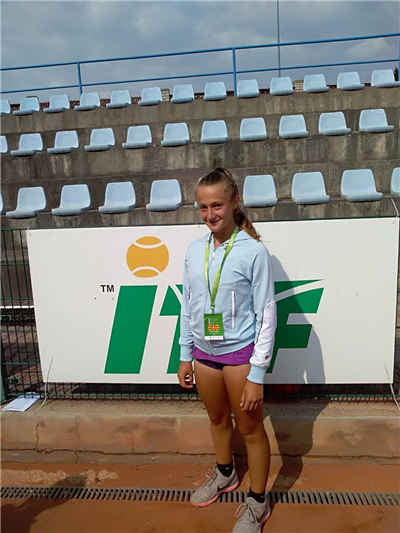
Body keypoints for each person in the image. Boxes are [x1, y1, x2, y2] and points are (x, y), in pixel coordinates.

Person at [178, 168, 277, 533]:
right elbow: (188, 305)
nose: (210, 214)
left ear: (235, 202)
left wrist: (257, 374)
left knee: (250, 430)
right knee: (218, 420)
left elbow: (266, 314)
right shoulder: (194, 250)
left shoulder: (254, 251)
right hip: (204, 356)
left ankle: (258, 503)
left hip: (240, 358)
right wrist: (185, 354)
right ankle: (226, 474)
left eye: (217, 205)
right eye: (203, 207)